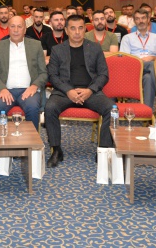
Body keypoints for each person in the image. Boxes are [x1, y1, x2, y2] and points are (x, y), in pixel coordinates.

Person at [45, 15, 114, 166]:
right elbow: (52, 76)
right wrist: (68, 90)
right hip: (64, 92)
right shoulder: (57, 50)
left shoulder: (95, 48)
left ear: (85, 30)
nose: (77, 32)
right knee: (49, 108)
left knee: (111, 109)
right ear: (66, 30)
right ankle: (56, 150)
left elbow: (103, 74)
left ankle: (103, 150)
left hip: (90, 92)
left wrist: (90, 90)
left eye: (80, 28)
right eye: (73, 28)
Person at [0, 16, 47, 129]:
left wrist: (34, 86)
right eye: (12, 26)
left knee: (33, 107)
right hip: (6, 90)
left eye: (19, 27)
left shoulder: (36, 45)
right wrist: (2, 89)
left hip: (28, 90)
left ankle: (32, 139)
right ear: (8, 29)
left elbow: (43, 73)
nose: (16, 30)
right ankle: (2, 138)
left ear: (25, 29)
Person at [120, 9, 156, 107]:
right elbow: (125, 59)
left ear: (148, 19)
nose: (140, 21)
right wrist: (140, 61)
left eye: (143, 18)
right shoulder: (127, 38)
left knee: (148, 78)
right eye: (137, 19)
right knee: (152, 65)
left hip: (151, 71)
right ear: (134, 21)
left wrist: (152, 57)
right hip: (133, 70)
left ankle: (148, 111)